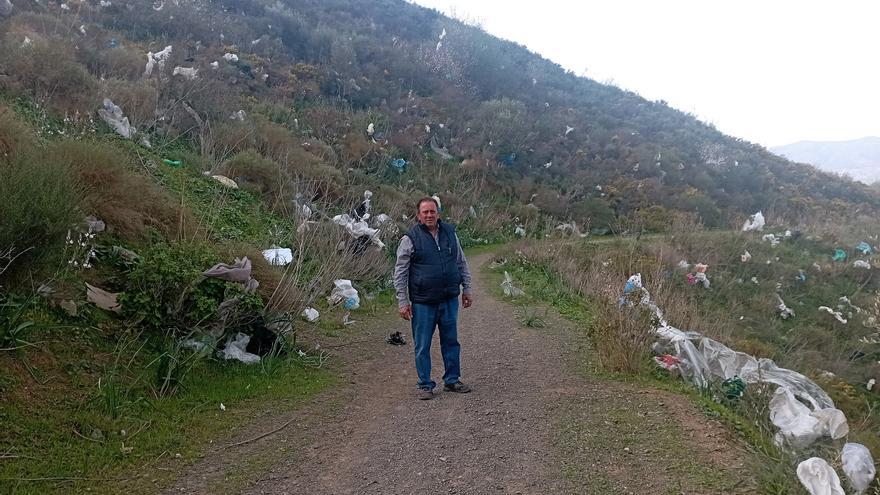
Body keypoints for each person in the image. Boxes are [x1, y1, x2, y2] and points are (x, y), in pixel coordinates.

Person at [394, 197, 473, 400]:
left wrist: (467, 289)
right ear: (419, 216)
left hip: (448, 299)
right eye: (425, 212)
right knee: (422, 344)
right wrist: (403, 302)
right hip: (423, 303)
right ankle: (425, 384)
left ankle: (452, 380)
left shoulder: (450, 234)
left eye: (432, 211)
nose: (429, 215)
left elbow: (461, 262)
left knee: (451, 342)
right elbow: (400, 272)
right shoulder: (410, 238)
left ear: (438, 213)